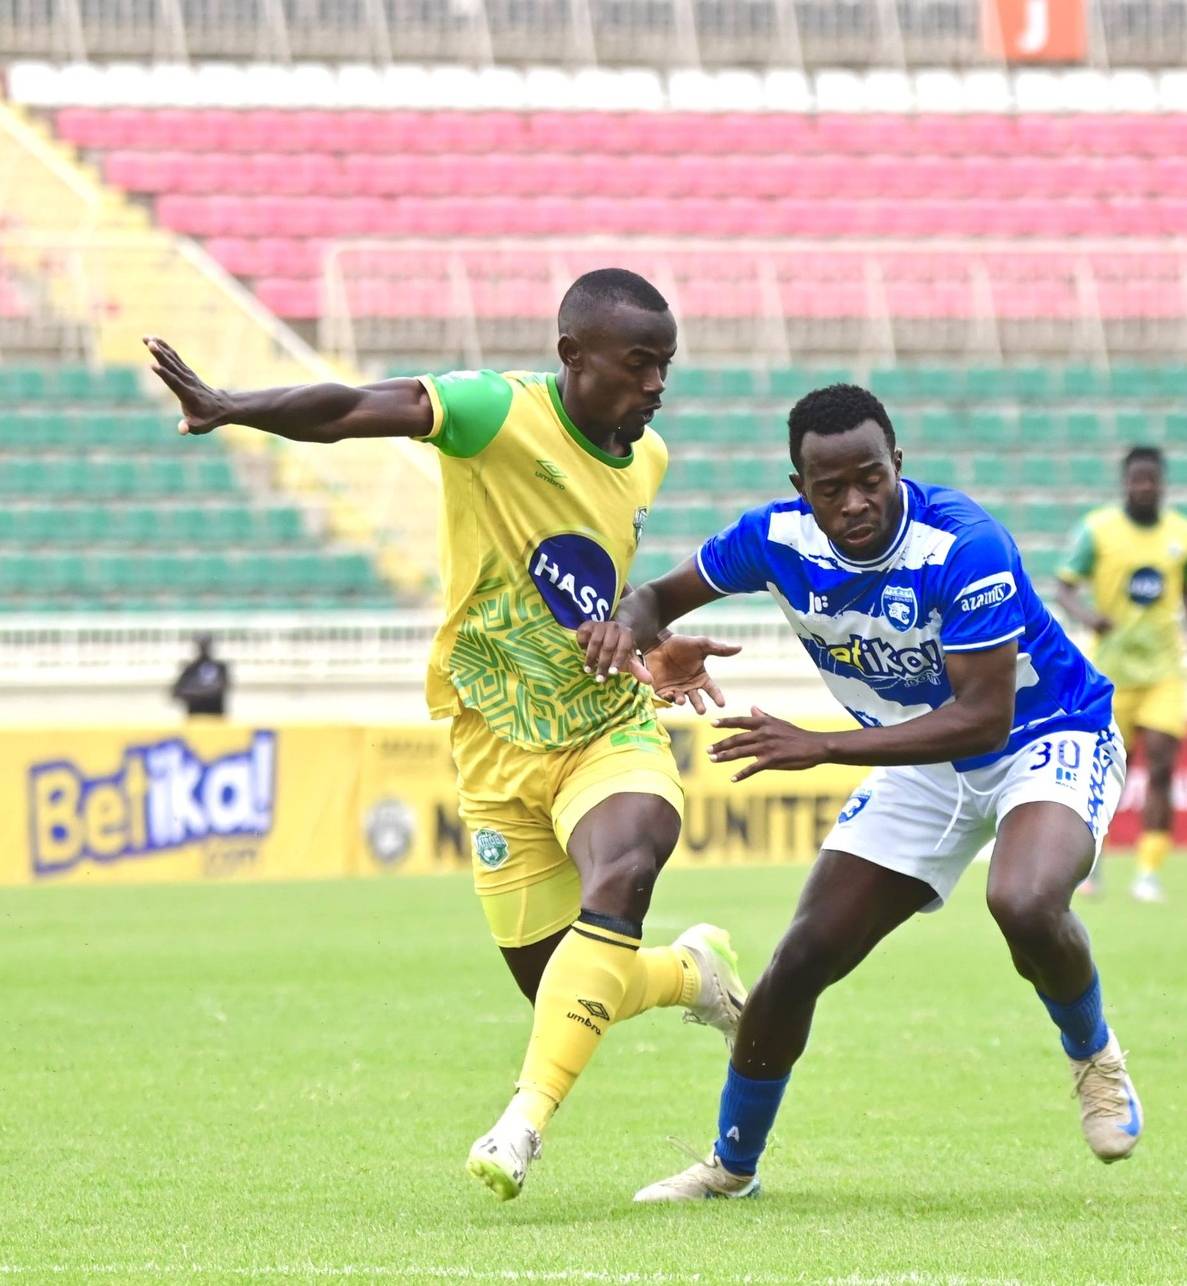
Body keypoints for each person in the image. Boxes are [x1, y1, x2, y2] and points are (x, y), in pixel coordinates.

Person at [143, 268, 749, 1203]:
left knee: (625, 868)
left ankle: (522, 1124)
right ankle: (690, 974)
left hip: (606, 725)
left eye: (665, 366)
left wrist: (651, 640)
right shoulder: (493, 413)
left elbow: (596, 592)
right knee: (558, 983)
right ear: (572, 358)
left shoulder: (649, 456)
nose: (657, 385)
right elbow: (353, 405)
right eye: (638, 365)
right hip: (495, 739)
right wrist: (234, 406)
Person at [583, 383, 1140, 1201]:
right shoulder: (771, 540)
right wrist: (645, 637)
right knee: (799, 959)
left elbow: (983, 720)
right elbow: (654, 596)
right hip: (921, 757)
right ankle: (731, 1169)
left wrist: (823, 747)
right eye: (831, 486)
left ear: (898, 466)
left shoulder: (965, 544)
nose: (856, 502)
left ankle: (1095, 1056)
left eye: (871, 478)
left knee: (1022, 900)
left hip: (1046, 733)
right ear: (798, 489)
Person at [1055, 446, 1187, 903]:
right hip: (1111, 674)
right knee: (1102, 774)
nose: (1144, 487)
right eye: (1136, 480)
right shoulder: (1098, 531)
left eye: (1151, 479)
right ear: (1124, 483)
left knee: (1161, 767)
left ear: (1162, 483)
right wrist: (1089, 615)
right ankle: (1091, 868)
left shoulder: (1184, 533)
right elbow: (1063, 589)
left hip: (1164, 671)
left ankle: (1148, 873)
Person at [170, 634, 230, 717]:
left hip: (215, 719)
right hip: (195, 719)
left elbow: (219, 688)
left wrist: (193, 691)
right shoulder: (190, 669)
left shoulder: (220, 667)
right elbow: (176, 692)